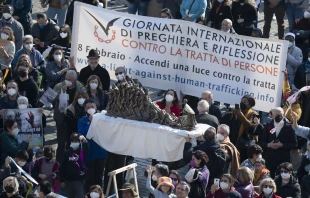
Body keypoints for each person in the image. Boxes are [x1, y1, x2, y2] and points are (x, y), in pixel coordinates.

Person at [53, 70, 85, 163]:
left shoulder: (81, 88)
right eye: (66, 79)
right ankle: (59, 164)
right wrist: (60, 93)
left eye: (70, 79)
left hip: (74, 120)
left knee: (73, 143)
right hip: (62, 119)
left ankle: (71, 163)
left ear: (75, 80)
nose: (67, 81)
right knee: (61, 143)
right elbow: (49, 100)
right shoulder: (58, 86)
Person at [78, 98, 108, 190]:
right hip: (89, 154)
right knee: (89, 178)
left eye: (92, 107)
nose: (90, 109)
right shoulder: (82, 121)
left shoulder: (102, 119)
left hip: (100, 153)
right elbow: (84, 135)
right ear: (85, 110)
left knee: (99, 178)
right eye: (88, 107)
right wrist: (91, 123)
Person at [260, 107, 298, 178]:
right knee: (269, 179)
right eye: (275, 114)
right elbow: (262, 142)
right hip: (270, 159)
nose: (278, 116)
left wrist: (282, 145)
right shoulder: (268, 125)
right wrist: (269, 145)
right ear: (271, 115)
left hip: (283, 160)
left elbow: (295, 144)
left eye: (280, 114)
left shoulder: (289, 126)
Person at [223, 95, 258, 162]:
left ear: (250, 104)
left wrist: (240, 115)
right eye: (241, 101)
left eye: (245, 102)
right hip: (233, 143)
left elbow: (252, 129)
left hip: (245, 146)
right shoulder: (235, 112)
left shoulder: (254, 114)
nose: (242, 103)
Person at [60, 133, 87, 198]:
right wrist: (62, 180)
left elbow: (87, 148)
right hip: (68, 181)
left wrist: (84, 140)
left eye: (76, 141)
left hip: (79, 180)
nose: (74, 143)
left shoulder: (81, 152)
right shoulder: (66, 153)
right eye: (73, 141)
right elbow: (63, 167)